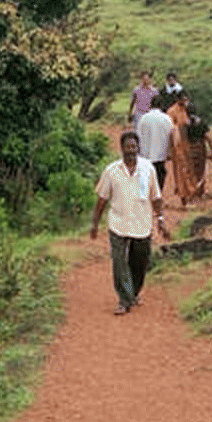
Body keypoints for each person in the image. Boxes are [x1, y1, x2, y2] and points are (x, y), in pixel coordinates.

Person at [90, 128, 167, 313]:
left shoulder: (148, 169)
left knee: (140, 262)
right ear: (121, 149)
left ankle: (134, 291)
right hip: (118, 223)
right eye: (127, 146)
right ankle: (124, 301)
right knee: (118, 262)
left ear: (138, 148)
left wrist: (161, 219)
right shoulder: (112, 171)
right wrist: (94, 223)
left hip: (142, 224)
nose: (131, 150)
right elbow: (102, 199)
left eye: (134, 146)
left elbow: (156, 196)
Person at [136, 91, 177, 181]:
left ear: (150, 105)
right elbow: (172, 135)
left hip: (145, 153)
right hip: (161, 153)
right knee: (160, 174)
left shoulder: (143, 118)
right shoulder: (167, 119)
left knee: (147, 175)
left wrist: (138, 151)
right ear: (162, 105)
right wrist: (170, 151)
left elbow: (138, 136)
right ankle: (158, 193)